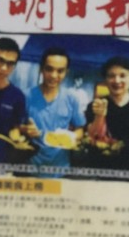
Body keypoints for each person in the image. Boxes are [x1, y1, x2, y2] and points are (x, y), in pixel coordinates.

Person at [85, 56, 129, 177]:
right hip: (101, 171)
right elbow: (92, 138)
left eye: (122, 75)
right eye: (111, 76)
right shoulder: (95, 105)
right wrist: (99, 116)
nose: (116, 81)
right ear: (105, 80)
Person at [27, 47, 85, 177]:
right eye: (49, 69)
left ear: (66, 72)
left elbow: (80, 129)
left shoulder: (71, 98)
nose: (54, 75)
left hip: (60, 168)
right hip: (31, 166)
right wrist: (26, 129)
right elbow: (16, 127)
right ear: (41, 69)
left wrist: (70, 137)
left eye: (60, 71)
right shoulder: (27, 95)